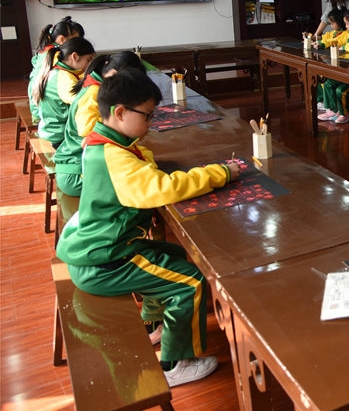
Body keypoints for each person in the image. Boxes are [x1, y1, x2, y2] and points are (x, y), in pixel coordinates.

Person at [56, 68, 241, 388]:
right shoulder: (114, 157)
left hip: (102, 250)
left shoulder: (102, 141)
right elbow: (163, 187)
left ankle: (153, 325)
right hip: (107, 261)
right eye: (148, 116)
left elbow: (142, 165)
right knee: (191, 282)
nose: (151, 123)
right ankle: (176, 363)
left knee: (172, 255)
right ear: (120, 112)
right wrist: (220, 173)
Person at [54, 51, 146, 199]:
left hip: (79, 167)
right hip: (76, 174)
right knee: (135, 183)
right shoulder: (93, 93)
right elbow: (88, 131)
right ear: (115, 75)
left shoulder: (98, 87)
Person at [34, 37, 96, 148]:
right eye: (88, 60)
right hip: (59, 136)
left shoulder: (56, 71)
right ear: (75, 56)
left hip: (49, 130)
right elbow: (81, 101)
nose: (90, 64)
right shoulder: (64, 78)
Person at [28, 16, 84, 120]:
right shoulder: (56, 56)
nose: (77, 44)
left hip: (37, 105)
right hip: (46, 111)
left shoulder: (44, 51)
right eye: (75, 40)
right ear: (62, 39)